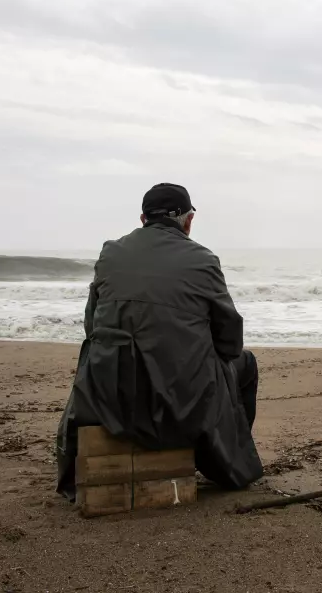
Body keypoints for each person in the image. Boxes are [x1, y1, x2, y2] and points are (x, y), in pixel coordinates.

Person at [56, 183, 262, 499]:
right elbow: (230, 340)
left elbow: (92, 326)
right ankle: (226, 462)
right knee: (245, 363)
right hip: (180, 404)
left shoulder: (111, 252)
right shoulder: (203, 259)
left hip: (110, 399)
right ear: (189, 220)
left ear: (143, 218)